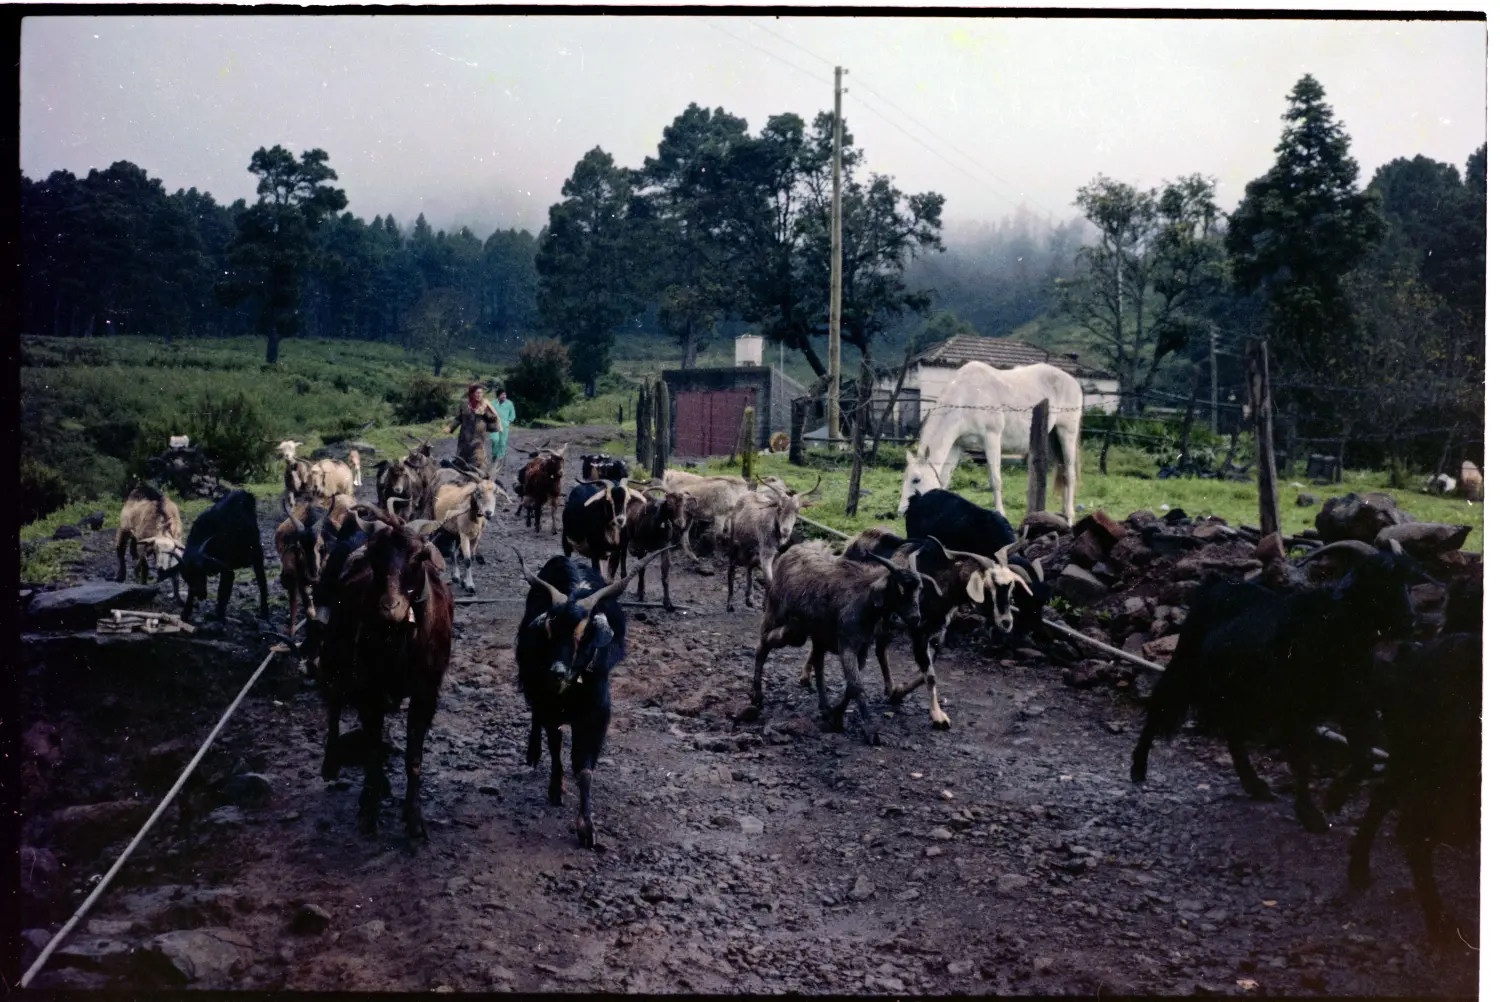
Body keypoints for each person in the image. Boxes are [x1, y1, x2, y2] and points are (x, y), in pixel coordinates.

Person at [445, 382, 500, 469]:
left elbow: (493, 418)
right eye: (477, 393)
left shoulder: (484, 405)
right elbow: (459, 418)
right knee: (460, 464)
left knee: (478, 464)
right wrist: (450, 427)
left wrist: (484, 413)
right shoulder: (465, 406)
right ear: (472, 394)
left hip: (477, 442)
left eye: (481, 393)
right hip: (464, 441)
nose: (479, 395)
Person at [489, 385, 516, 469]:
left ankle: (500, 460)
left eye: (505, 394)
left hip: (504, 426)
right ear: (498, 395)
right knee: (494, 439)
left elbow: (512, 415)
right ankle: (494, 456)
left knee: (502, 443)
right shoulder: (492, 403)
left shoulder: (509, 403)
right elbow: (487, 413)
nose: (504, 396)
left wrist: (508, 422)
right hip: (494, 425)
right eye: (502, 394)